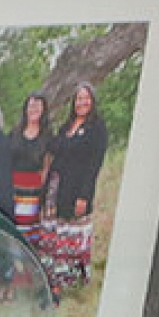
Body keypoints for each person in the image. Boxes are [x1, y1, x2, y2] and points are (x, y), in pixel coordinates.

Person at [44, 82, 108, 292]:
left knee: (74, 233)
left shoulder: (96, 128)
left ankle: (74, 281)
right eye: (79, 99)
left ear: (92, 101)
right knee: (58, 232)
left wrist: (84, 195)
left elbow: (94, 165)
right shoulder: (66, 127)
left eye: (86, 98)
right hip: (57, 187)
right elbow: (54, 147)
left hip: (77, 188)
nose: (82, 102)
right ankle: (56, 277)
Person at [7, 91, 53, 234]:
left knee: (29, 232)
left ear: (43, 110)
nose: (34, 110)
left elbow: (47, 167)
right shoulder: (14, 133)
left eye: (38, 106)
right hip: (13, 187)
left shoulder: (47, 135)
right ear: (26, 109)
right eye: (31, 106)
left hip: (33, 190)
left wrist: (42, 194)